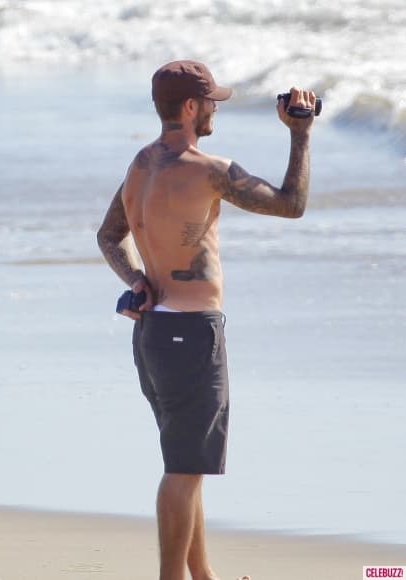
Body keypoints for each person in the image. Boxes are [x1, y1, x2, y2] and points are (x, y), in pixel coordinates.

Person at [97, 60, 316, 580]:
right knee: (183, 469)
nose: (216, 108)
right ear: (191, 107)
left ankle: (203, 575)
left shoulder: (140, 165)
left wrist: (137, 280)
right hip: (190, 334)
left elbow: (109, 237)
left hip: (153, 334)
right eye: (212, 101)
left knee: (186, 462)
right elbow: (292, 205)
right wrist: (301, 135)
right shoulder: (208, 169)